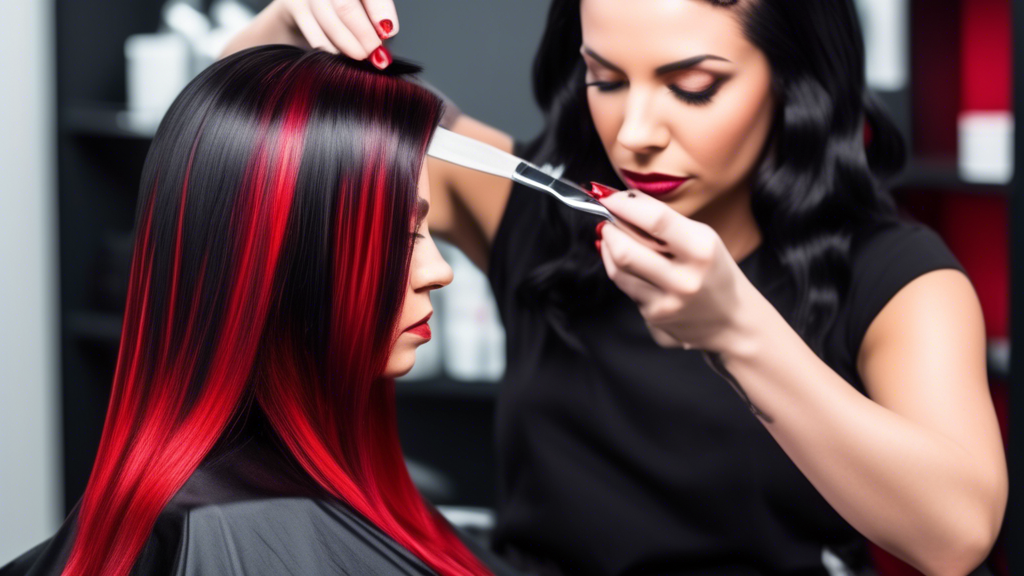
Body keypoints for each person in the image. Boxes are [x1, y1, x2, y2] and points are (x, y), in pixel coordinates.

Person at [221, 2, 1008, 575]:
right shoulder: (527, 205)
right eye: (604, 79)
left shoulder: (898, 277)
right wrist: (289, 26)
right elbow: (244, 131)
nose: (634, 134)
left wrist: (736, 331)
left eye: (692, 86)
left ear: (794, 81)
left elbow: (956, 534)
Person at [0, 45, 524, 576]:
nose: (440, 270)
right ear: (276, 262)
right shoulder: (237, 538)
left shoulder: (213, 518)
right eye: (398, 235)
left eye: (427, 231)